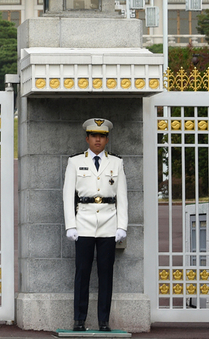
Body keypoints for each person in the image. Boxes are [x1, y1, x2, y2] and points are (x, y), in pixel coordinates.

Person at [63, 118, 128, 332]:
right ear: (87, 138)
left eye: (101, 136)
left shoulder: (117, 163)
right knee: (82, 272)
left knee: (106, 274)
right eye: (93, 135)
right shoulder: (74, 162)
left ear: (107, 139)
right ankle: (79, 320)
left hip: (109, 223)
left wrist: (122, 226)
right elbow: (67, 196)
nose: (97, 139)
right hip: (83, 223)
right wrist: (70, 225)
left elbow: (123, 197)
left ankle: (103, 321)